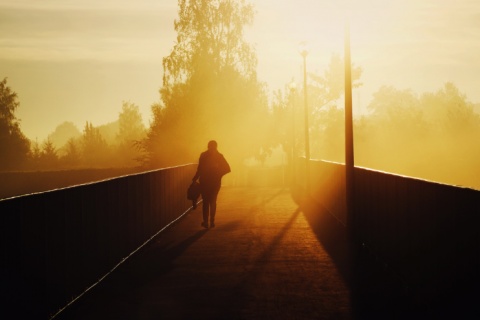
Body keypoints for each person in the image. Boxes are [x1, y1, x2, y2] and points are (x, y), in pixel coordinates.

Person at [192, 140, 231, 228]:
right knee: (213, 201)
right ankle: (212, 221)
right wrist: (219, 174)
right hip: (216, 182)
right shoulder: (219, 156)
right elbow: (228, 168)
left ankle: (206, 222)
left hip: (205, 182)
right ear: (216, 147)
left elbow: (199, 169)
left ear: (208, 146)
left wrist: (194, 179)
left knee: (205, 201)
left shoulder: (203, 155)